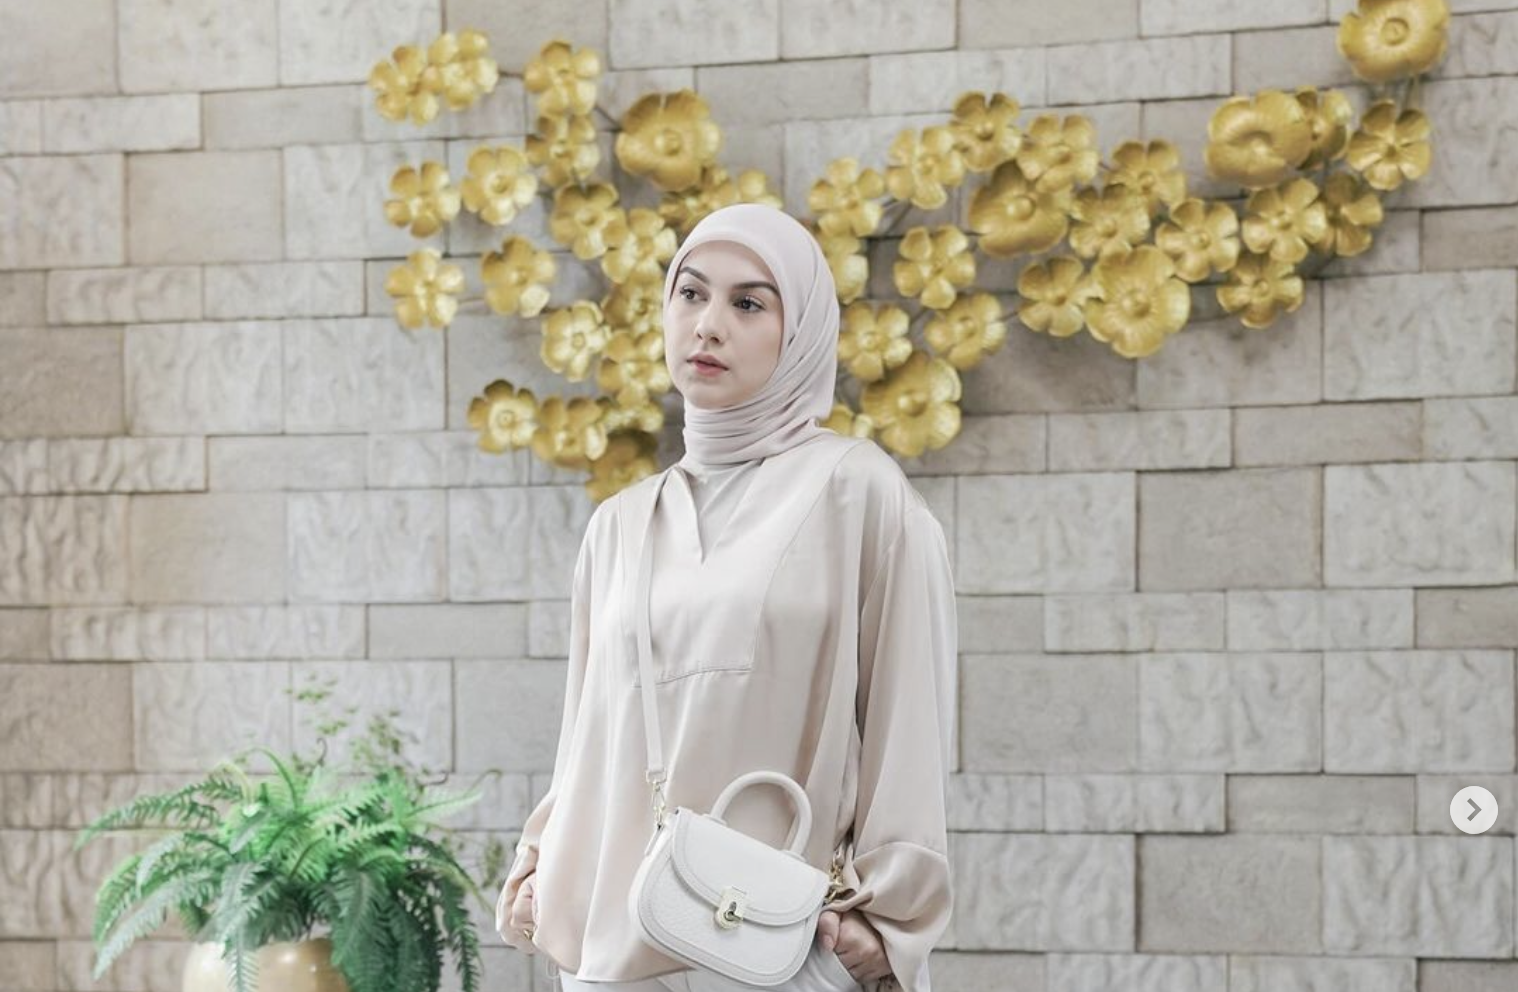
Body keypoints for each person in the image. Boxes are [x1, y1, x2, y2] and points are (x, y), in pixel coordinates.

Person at [494, 202, 957, 992]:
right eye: (691, 294)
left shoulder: (857, 492)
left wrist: (885, 920)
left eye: (748, 303)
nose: (708, 326)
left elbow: (909, 718)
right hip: (614, 949)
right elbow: (588, 733)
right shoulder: (618, 526)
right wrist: (545, 856)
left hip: (774, 943)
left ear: (799, 331)